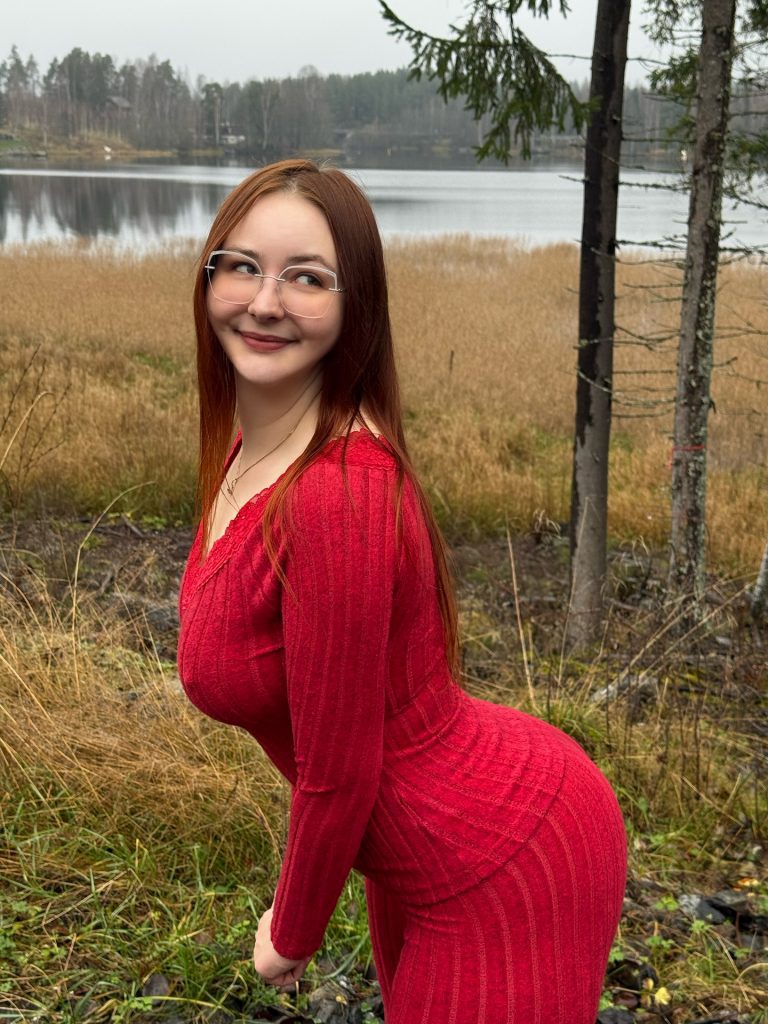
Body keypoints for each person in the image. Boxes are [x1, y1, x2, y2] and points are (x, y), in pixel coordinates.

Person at [177, 158, 627, 1023]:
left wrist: (292, 932)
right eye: (241, 266)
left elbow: (339, 770)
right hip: (422, 856)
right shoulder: (256, 451)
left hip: (504, 855)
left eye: (307, 278)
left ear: (358, 307)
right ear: (207, 280)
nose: (264, 301)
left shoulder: (337, 492)